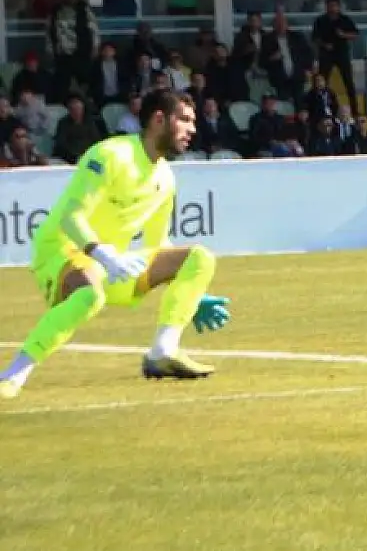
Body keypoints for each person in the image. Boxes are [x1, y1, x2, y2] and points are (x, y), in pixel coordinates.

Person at [0, 89, 230, 400]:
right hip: (61, 252)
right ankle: (13, 373)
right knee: (89, 295)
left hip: (112, 264)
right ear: (159, 120)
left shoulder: (165, 178)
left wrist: (192, 295)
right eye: (185, 120)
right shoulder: (110, 155)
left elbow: (158, 244)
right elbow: (72, 217)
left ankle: (162, 352)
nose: (192, 129)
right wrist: (103, 254)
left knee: (199, 258)